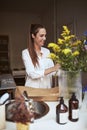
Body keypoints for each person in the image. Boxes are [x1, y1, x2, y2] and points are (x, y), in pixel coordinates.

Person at [22, 24, 60, 88]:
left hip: (46, 90)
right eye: (41, 36)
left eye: (45, 35)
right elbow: (32, 74)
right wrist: (53, 68)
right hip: (32, 91)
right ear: (33, 36)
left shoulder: (47, 51)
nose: (44, 38)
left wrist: (65, 69)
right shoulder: (26, 53)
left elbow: (52, 72)